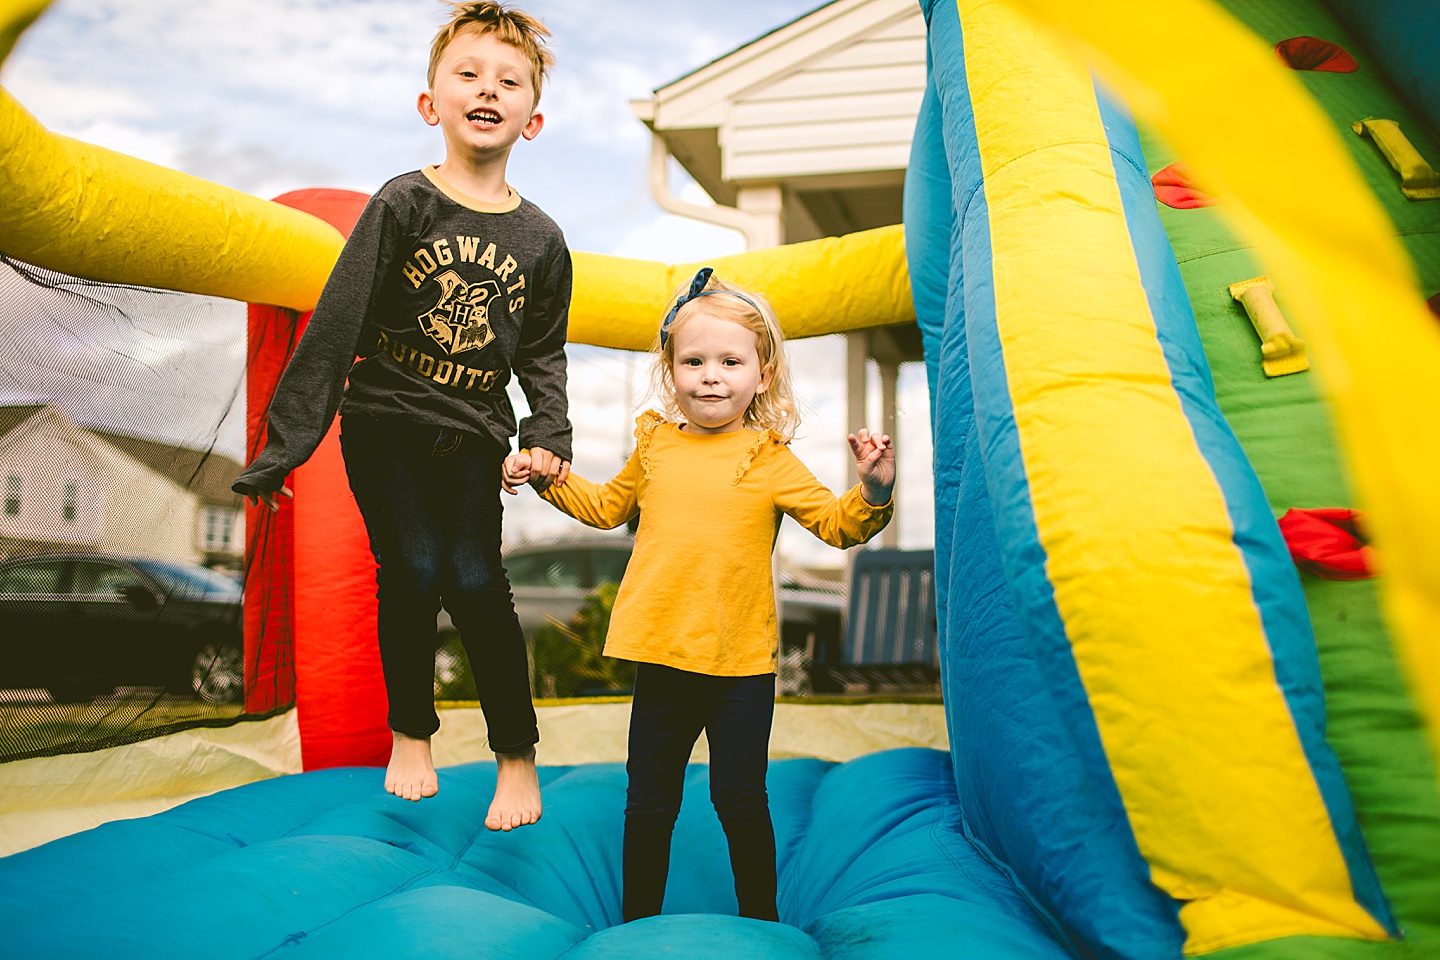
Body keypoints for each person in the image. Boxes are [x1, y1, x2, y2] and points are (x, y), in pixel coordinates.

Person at [232, 1, 572, 830]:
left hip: (474, 432)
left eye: (509, 80)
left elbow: (543, 352)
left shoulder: (542, 239)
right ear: (432, 104)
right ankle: (411, 735)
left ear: (533, 118)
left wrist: (548, 435)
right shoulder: (403, 205)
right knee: (413, 573)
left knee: (479, 586)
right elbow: (339, 320)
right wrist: (285, 448)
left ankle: (515, 756)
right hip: (383, 419)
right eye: (468, 74)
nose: (488, 88)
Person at [503, 267, 895, 921]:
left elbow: (836, 524)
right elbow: (604, 507)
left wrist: (875, 489)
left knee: (739, 799)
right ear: (671, 368)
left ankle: (761, 922)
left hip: (739, 666)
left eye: (730, 361)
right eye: (694, 361)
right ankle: (637, 924)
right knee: (648, 802)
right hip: (662, 657)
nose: (711, 375)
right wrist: (548, 475)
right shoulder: (655, 444)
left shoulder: (766, 457)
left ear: (761, 374)